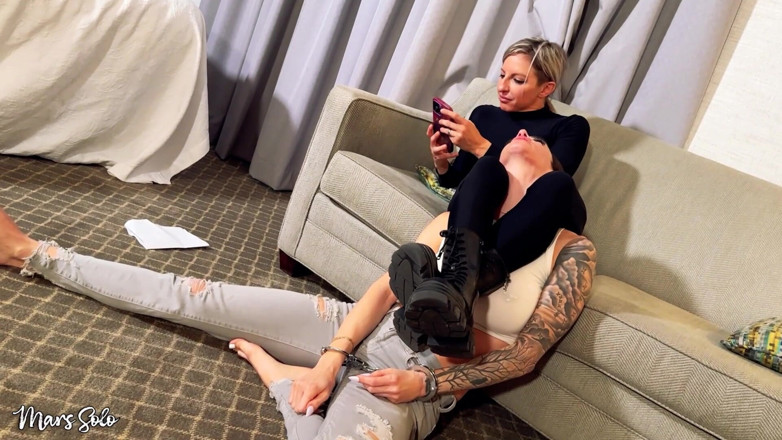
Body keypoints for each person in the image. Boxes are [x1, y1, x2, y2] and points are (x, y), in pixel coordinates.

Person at [0, 129, 596, 439]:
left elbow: (526, 355)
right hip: (355, 328)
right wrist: (332, 356)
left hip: (418, 379)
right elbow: (384, 290)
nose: (524, 135)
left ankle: (279, 381)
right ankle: (34, 253)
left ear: (556, 172)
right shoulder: (456, 214)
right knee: (192, 293)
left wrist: (427, 382)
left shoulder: (572, 251)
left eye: (538, 140)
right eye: (517, 136)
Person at [393, 37, 590, 357]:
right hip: (484, 215)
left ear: (546, 88)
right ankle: (456, 294)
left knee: (557, 183)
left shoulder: (570, 127)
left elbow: (548, 180)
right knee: (487, 170)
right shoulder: (484, 116)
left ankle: (446, 287)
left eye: (518, 80)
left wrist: (481, 146)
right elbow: (460, 182)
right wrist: (442, 162)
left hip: (539, 216)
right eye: (501, 75)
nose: (502, 86)